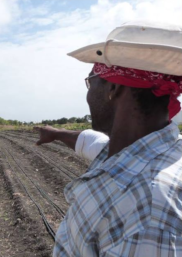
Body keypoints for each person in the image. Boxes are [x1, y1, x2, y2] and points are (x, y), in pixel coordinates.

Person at [35, 21, 182, 256]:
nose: (88, 93)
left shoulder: (149, 209)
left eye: (90, 81)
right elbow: (96, 145)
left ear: (112, 88)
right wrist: (58, 133)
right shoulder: (146, 153)